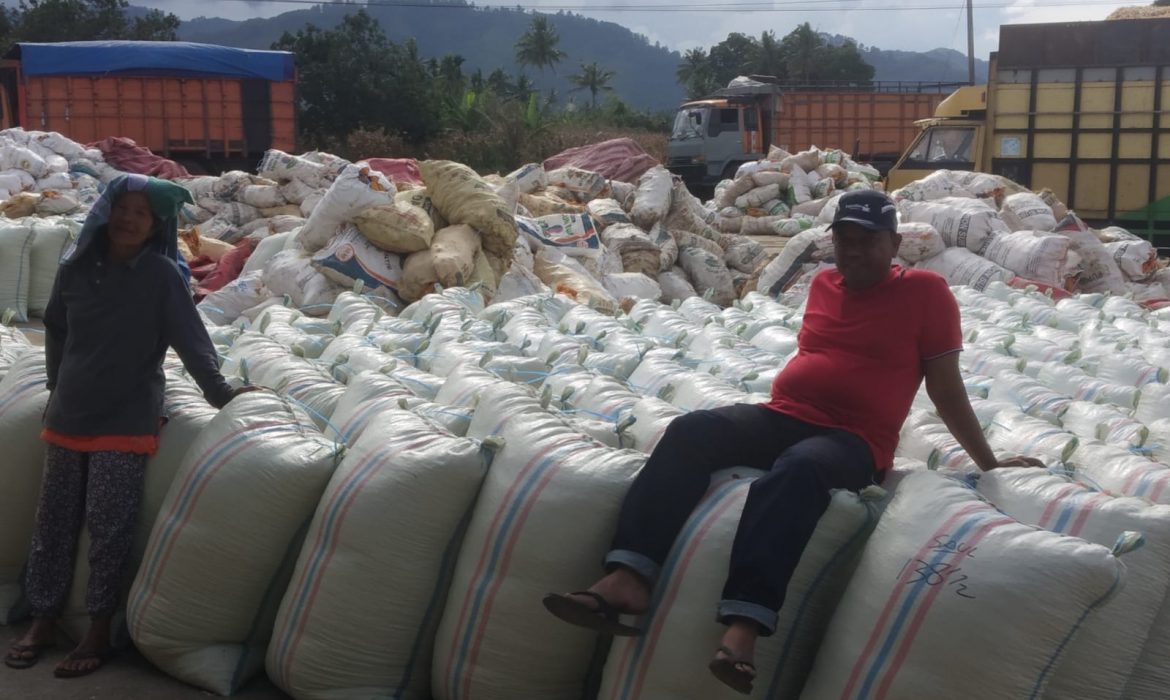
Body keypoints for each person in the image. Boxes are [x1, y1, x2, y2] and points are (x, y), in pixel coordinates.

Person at [542, 189, 1042, 694]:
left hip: (854, 439)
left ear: (894, 243)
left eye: (866, 241)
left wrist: (990, 463)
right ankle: (630, 575)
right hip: (783, 414)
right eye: (843, 239)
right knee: (691, 431)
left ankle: (745, 624)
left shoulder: (927, 293)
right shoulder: (824, 284)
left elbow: (946, 387)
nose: (852, 251)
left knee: (799, 469)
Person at [4, 174, 257, 678]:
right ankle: (43, 618)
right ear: (105, 213)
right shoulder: (76, 269)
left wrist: (223, 394)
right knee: (52, 522)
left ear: (154, 225)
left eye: (141, 214)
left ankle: (99, 626)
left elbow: (192, 341)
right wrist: (58, 386)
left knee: (109, 526)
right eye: (123, 208)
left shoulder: (163, 276)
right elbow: (56, 328)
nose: (128, 219)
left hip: (127, 416)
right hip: (70, 413)